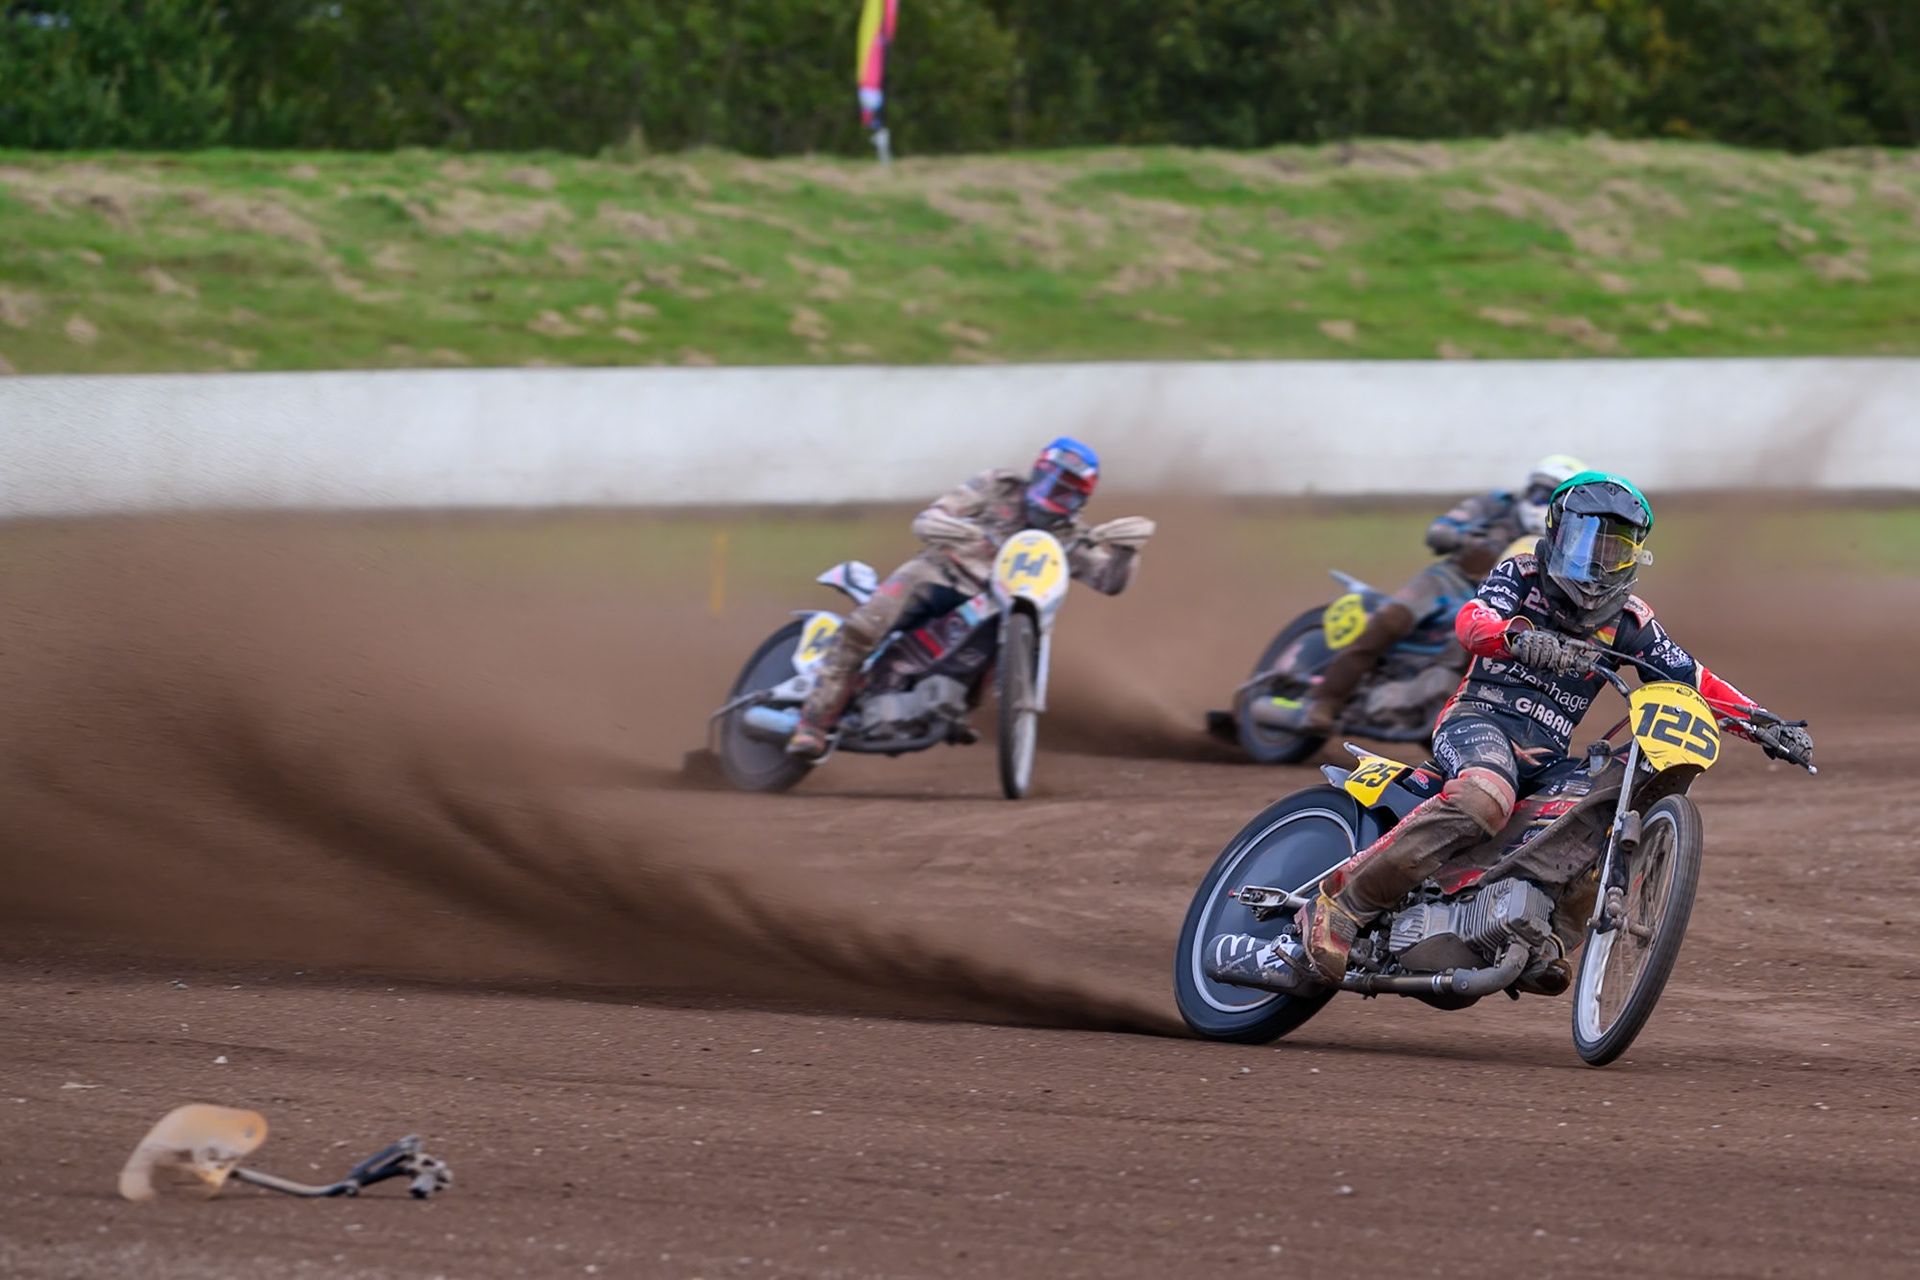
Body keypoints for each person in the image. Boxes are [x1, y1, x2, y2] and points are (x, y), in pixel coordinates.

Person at [1282, 472, 1813, 985]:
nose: (1598, 559)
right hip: (1479, 719)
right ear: (1557, 532)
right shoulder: (1521, 575)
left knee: (1607, 816)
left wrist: (1765, 724)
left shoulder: (1629, 621)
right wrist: (1512, 636)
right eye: (1588, 540)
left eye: (1616, 547)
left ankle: (1541, 936)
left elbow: (1695, 679)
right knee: (1483, 799)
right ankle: (1341, 904)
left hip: (1546, 755)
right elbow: (1472, 620)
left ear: (1635, 555)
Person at [786, 438, 1156, 758]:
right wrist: (937, 522)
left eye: (1064, 491)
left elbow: (1108, 581)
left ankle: (949, 707)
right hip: (939, 574)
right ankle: (813, 722)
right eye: (1047, 481)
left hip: (1000, 602)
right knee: (865, 628)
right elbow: (937, 513)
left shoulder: (1071, 537)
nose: (1050, 495)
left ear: (1079, 500)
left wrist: (1127, 549)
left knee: (996, 645)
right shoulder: (996, 485)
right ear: (1035, 471)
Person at [1265, 454, 1588, 737]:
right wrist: (1465, 541)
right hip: (1448, 583)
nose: (1539, 501)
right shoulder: (1496, 505)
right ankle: (1325, 701)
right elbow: (1441, 529)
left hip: (1505, 600)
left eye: (1550, 497)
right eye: (1538, 491)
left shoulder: (1563, 540)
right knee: (1392, 621)